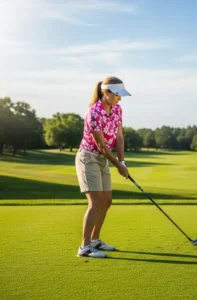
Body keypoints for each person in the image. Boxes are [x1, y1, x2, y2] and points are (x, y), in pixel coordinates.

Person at [75, 76, 131, 258]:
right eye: (117, 95)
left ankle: (95, 240)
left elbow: (119, 137)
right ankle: (84, 247)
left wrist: (122, 162)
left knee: (107, 200)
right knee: (96, 202)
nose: (119, 98)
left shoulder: (117, 110)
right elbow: (101, 146)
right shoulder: (93, 113)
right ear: (105, 92)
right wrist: (117, 165)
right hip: (88, 158)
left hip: (103, 159)